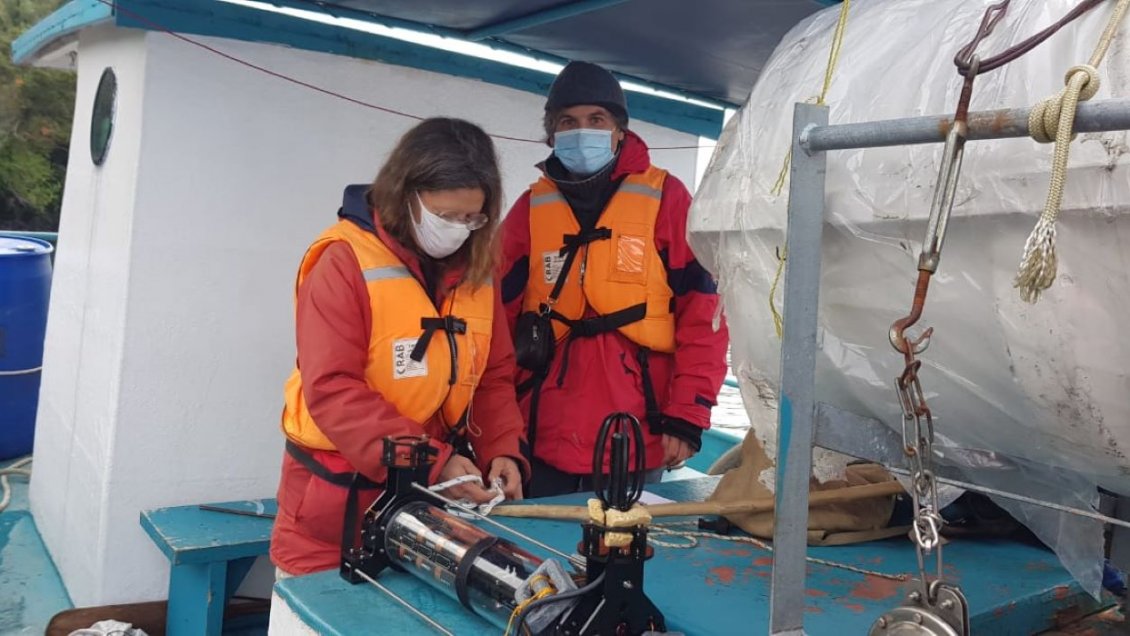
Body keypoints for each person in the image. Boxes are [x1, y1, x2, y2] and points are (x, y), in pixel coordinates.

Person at [272, 118, 529, 576]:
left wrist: (502, 451)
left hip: (427, 508)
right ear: (405, 194)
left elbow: (493, 376)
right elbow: (332, 388)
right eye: (446, 216)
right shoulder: (342, 262)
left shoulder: (477, 272)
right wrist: (435, 463)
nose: (459, 230)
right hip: (336, 508)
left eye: (471, 219)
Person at [500, 61, 729, 497]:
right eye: (568, 122)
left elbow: (705, 315)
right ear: (552, 134)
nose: (582, 130)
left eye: (596, 119)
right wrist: (498, 428)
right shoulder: (529, 209)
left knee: (623, 538)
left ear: (619, 131)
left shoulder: (667, 198)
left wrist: (688, 415)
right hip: (541, 431)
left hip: (637, 432)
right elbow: (493, 318)